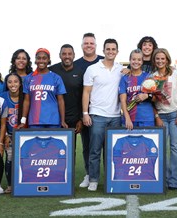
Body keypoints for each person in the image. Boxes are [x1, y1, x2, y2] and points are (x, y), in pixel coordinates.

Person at [82, 38, 123, 191]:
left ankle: (111, 179)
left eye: (113, 49)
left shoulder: (121, 69)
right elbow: (86, 92)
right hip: (97, 115)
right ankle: (93, 179)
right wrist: (85, 113)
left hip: (115, 117)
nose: (111, 51)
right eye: (108, 49)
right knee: (95, 150)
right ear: (103, 51)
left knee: (112, 151)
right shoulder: (92, 69)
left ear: (117, 52)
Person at [49, 44, 90, 186]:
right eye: (64, 54)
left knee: (71, 151)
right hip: (55, 118)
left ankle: (68, 180)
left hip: (74, 118)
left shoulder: (81, 71)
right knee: (54, 149)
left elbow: (83, 96)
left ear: (73, 55)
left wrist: (80, 118)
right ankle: (54, 176)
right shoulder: (52, 70)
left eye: (69, 54)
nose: (67, 56)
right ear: (60, 55)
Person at [151, 48, 177, 190]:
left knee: (175, 147)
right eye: (157, 58)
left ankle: (173, 181)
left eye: (162, 58)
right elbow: (151, 100)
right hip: (161, 116)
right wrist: (157, 116)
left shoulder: (176, 74)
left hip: (175, 114)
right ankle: (164, 180)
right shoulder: (152, 77)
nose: (160, 61)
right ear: (154, 60)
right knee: (162, 148)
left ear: (167, 60)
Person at [73, 33, 104, 188]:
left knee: (106, 146)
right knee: (88, 146)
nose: (89, 45)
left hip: (105, 112)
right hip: (85, 113)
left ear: (96, 45)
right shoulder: (76, 64)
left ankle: (110, 175)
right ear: (82, 46)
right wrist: (82, 114)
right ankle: (89, 174)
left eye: (92, 43)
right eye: (86, 43)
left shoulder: (105, 61)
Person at [20, 48, 67, 128]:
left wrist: (63, 120)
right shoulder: (28, 78)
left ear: (48, 60)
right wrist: (23, 121)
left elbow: (61, 100)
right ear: (35, 60)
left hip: (53, 120)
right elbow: (26, 101)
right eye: (39, 58)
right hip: (35, 121)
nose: (41, 61)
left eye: (44, 58)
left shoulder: (56, 78)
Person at [0, 73, 24, 194]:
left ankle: (26, 181)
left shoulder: (26, 96)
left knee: (25, 158)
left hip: (23, 133)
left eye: (16, 81)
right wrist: (5, 136)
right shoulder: (2, 97)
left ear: (20, 83)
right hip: (9, 134)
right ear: (6, 84)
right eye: (10, 82)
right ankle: (10, 184)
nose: (13, 84)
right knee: (9, 158)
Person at [119, 49, 156, 130]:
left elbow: (156, 97)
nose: (136, 62)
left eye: (139, 59)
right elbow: (123, 101)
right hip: (130, 119)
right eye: (134, 59)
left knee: (146, 142)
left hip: (147, 118)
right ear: (130, 60)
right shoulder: (124, 78)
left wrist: (146, 96)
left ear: (142, 61)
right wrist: (127, 118)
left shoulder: (148, 77)